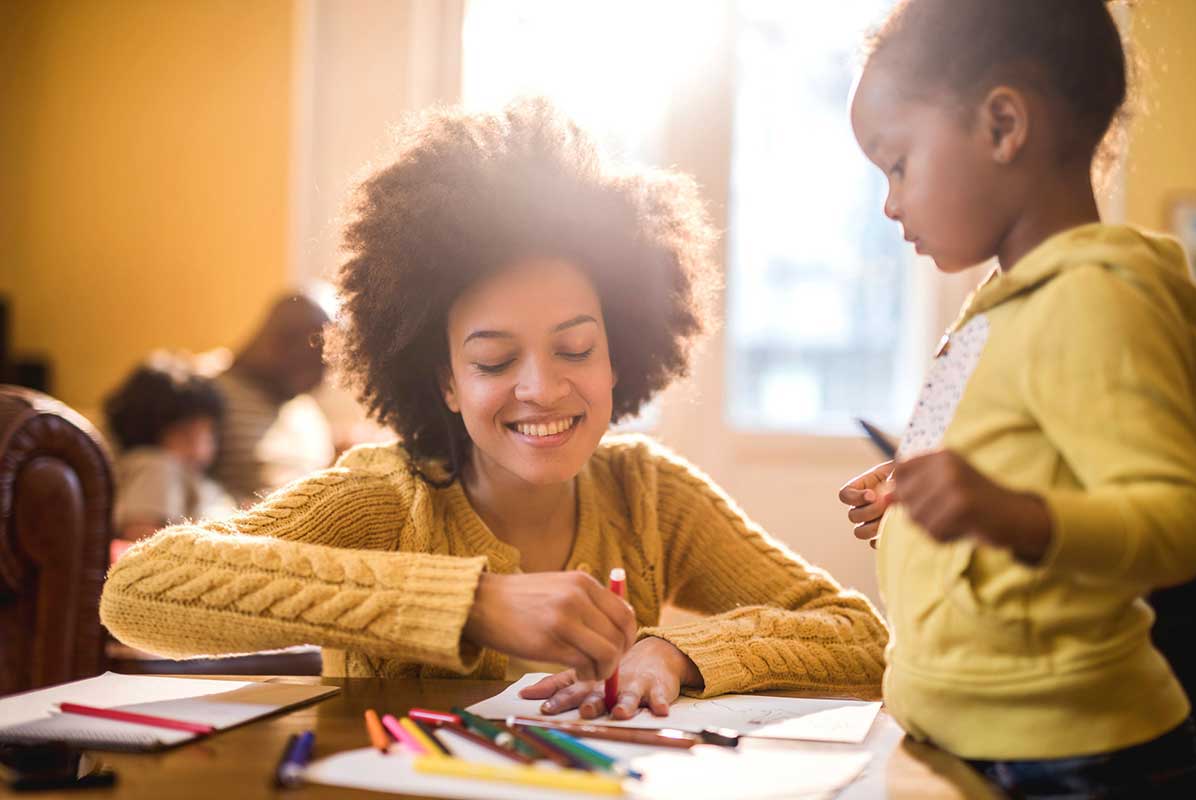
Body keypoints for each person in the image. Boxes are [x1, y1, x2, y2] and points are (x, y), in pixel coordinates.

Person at [102, 99, 888, 719]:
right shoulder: (385, 498)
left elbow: (859, 637)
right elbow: (138, 591)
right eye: (493, 361)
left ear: (622, 355)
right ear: (444, 381)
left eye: (576, 350)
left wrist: (678, 654)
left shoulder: (650, 494)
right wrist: (472, 604)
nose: (542, 389)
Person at [840, 0, 1196, 794]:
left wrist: (1009, 514)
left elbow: (1178, 523)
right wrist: (911, 497)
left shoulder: (1097, 301)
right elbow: (992, 470)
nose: (891, 204)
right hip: (961, 735)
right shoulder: (994, 311)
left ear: (1004, 126)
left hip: (1074, 759)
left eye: (899, 165)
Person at [210, 293, 335, 505]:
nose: (321, 381)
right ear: (280, 343)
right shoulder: (202, 393)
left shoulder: (304, 408)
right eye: (316, 365)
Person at [104, 353, 235, 548]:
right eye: (185, 435)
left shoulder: (193, 477)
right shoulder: (154, 465)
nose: (199, 450)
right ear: (146, 432)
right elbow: (141, 538)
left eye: (208, 435)